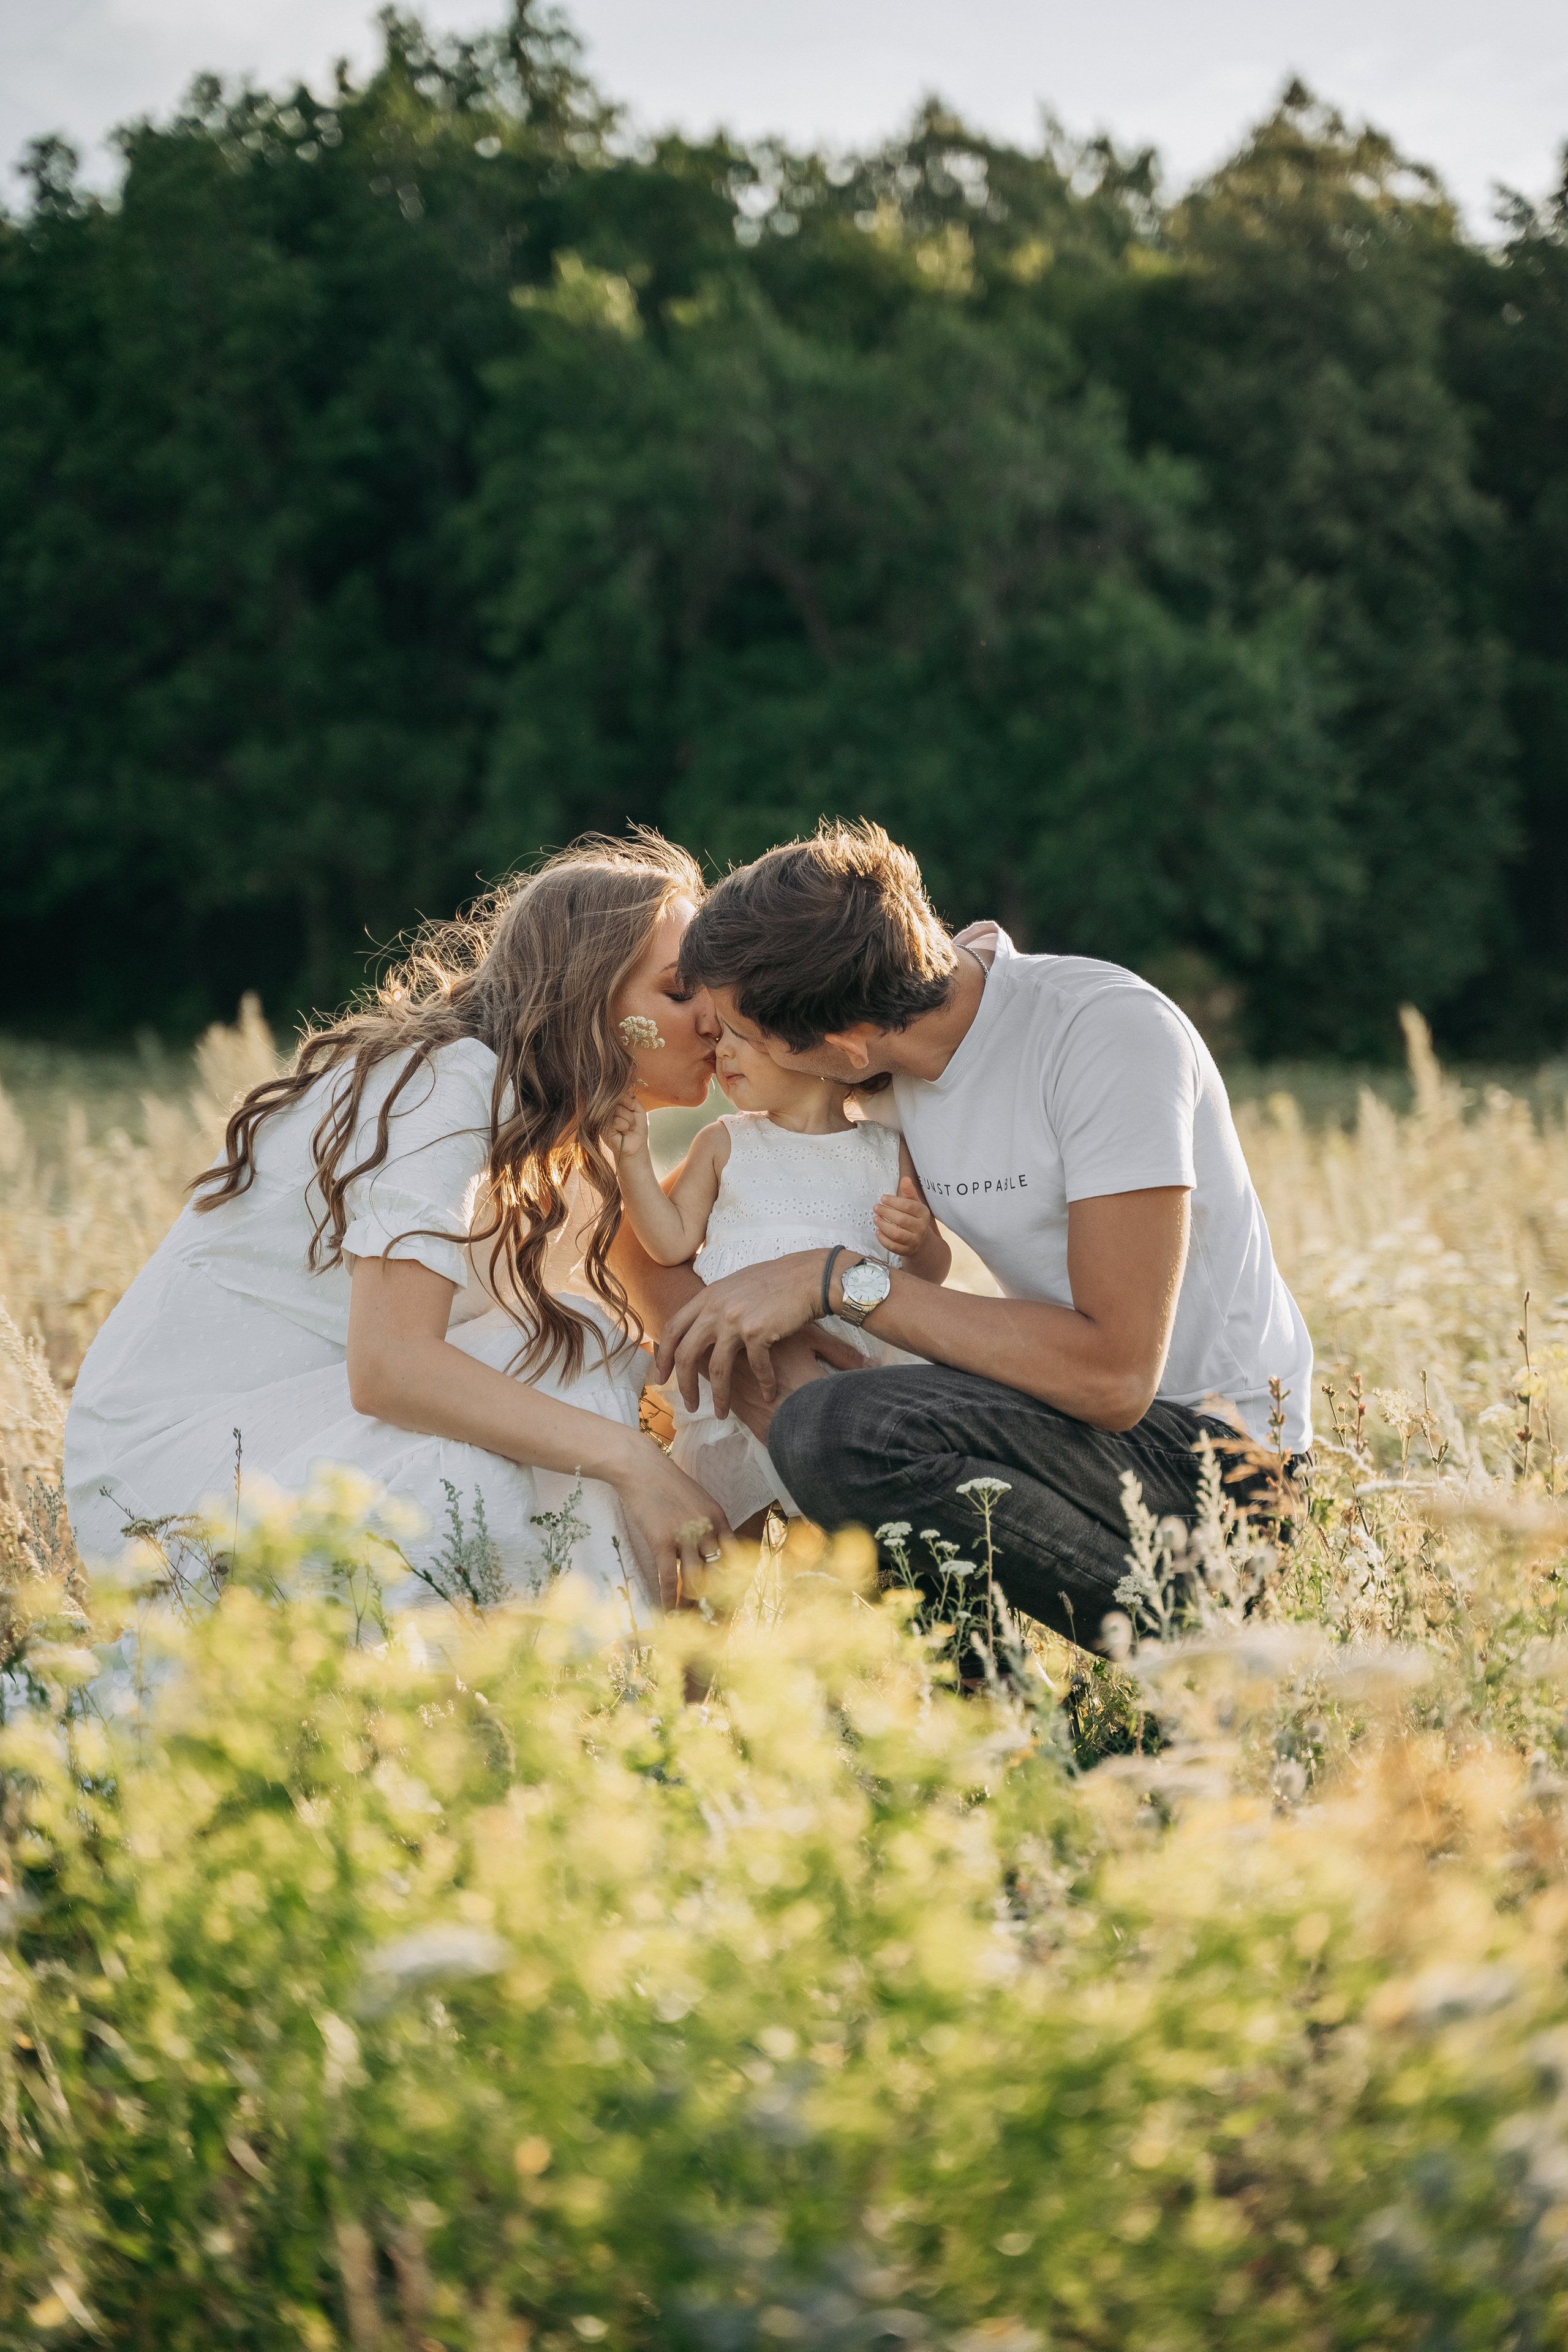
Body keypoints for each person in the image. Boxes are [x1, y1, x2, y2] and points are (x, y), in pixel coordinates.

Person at [616, 821, 1313, 1651]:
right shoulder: (884, 1046)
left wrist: (837, 1280)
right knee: (823, 1420)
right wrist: (757, 1363)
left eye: (748, 1035)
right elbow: (641, 1244)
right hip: (1065, 1428)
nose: (724, 1050)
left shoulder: (1106, 1038)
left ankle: (1203, 1661)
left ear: (839, 1046)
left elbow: (1117, 1378)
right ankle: (978, 1734)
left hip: (1213, 1466)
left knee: (837, 1431)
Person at [66, 834, 750, 1612]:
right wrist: (634, 1460)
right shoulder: (445, 1086)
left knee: (581, 1354)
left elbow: (657, 1343)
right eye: (678, 992)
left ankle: (613, 1682)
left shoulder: (574, 1147)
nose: (715, 1019)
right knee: (562, 1367)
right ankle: (590, 1682)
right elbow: (390, 1367)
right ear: (586, 997)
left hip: (296, 1447)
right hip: (171, 1481)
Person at [610, 1011, 949, 1537]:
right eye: (720, 1038)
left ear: (817, 1050)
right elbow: (670, 1241)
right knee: (723, 1548)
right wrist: (634, 1163)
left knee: (835, 1554)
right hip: (736, 1376)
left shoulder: (885, 1148)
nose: (721, 1052)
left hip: (851, 1379)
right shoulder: (723, 1141)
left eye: (741, 1038)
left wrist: (921, 1241)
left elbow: (927, 1277)